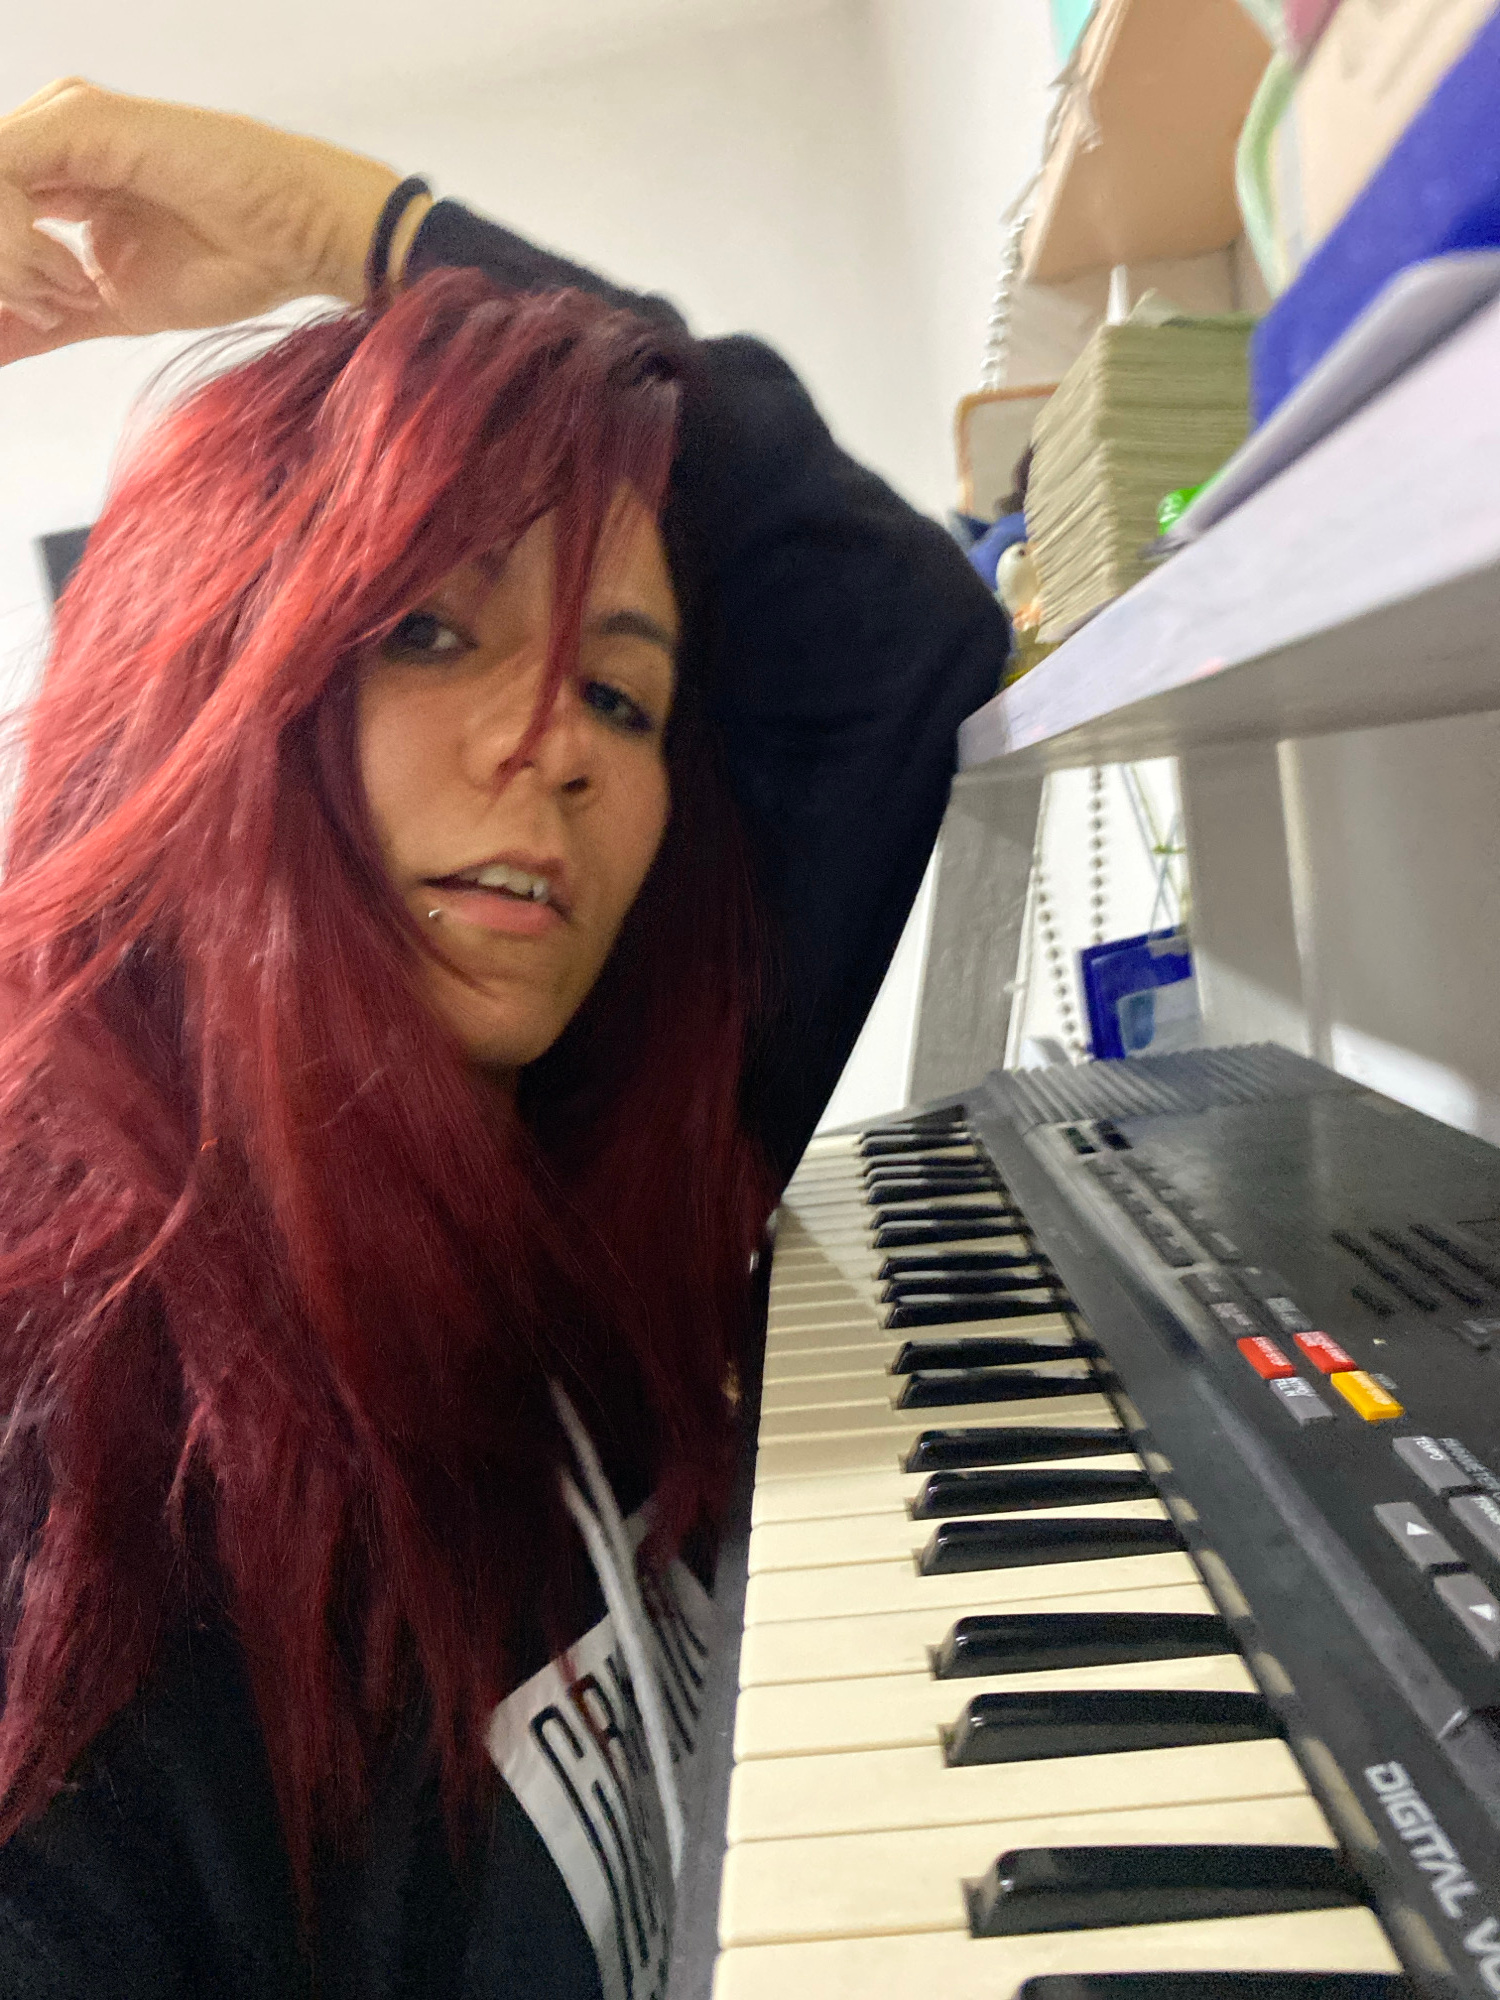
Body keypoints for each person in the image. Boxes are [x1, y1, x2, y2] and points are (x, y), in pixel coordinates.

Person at [0, 80, 1009, 2000]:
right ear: (203, 681)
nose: (550, 745)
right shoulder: (70, 1437)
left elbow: (896, 637)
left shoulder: (616, 1138)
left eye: (621, 698)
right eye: (431, 634)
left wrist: (358, 232)